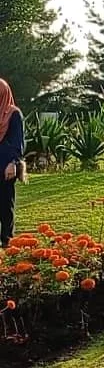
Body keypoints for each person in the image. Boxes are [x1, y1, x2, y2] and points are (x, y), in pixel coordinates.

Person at [0, 78, 24, 248]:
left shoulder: (13, 114)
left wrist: (13, 163)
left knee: (6, 204)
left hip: (6, 165)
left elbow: (18, 142)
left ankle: (7, 241)